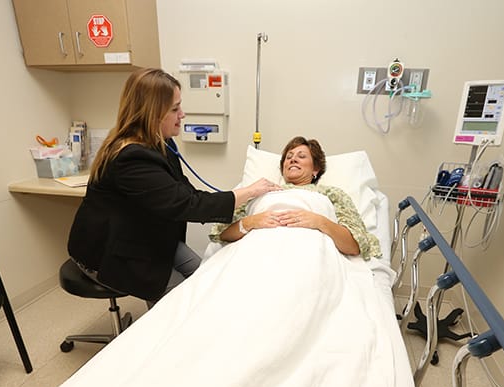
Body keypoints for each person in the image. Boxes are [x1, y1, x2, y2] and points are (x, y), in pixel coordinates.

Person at [67, 68, 280, 302]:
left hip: (146, 238)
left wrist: (238, 200)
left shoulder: (160, 143)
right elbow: (186, 204)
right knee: (186, 301)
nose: (183, 114)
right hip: (110, 252)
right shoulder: (131, 157)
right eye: (175, 108)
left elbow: (184, 190)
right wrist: (248, 192)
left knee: (207, 276)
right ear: (152, 113)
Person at [210, 136, 381, 260]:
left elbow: (354, 246)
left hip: (311, 254)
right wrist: (250, 222)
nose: (292, 160)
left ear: (315, 169)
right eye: (288, 157)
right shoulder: (261, 191)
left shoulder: (332, 194)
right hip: (256, 251)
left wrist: (319, 222)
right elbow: (223, 234)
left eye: (301, 156)